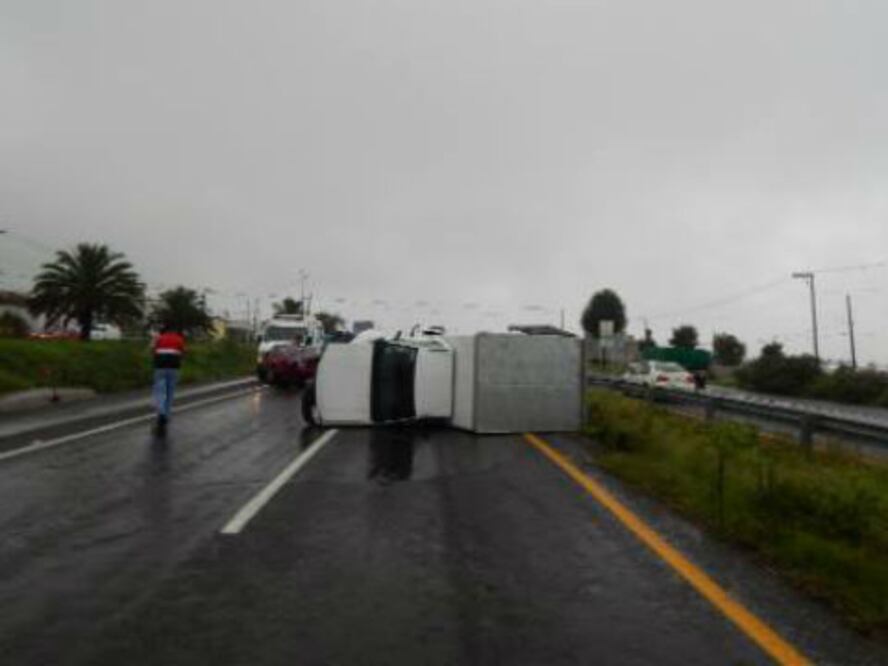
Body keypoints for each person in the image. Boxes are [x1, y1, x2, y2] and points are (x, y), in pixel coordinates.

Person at [152, 325, 186, 433]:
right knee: (170, 393)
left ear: (164, 331)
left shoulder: (159, 338)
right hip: (174, 369)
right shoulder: (179, 339)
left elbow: (152, 349)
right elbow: (184, 353)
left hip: (160, 368)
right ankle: (166, 415)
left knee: (160, 392)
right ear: (174, 330)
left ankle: (161, 414)